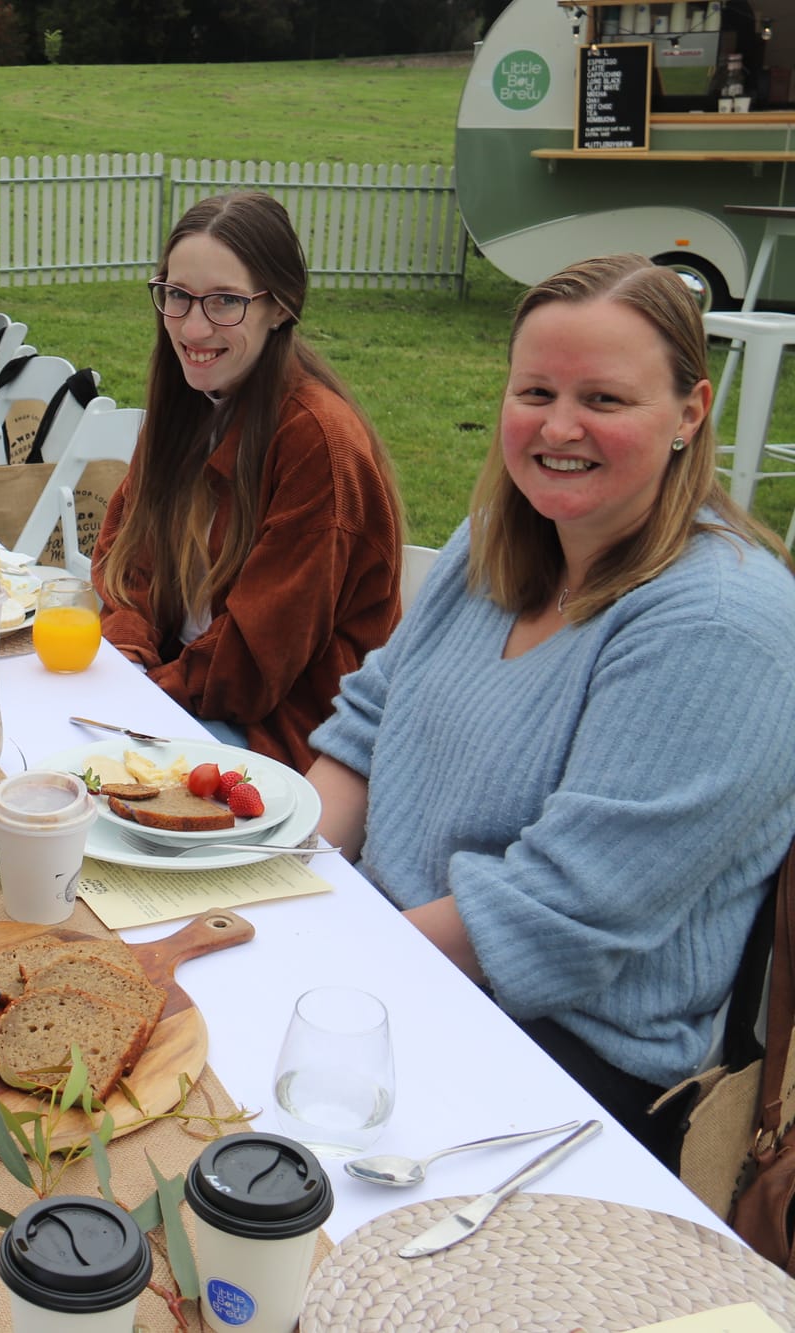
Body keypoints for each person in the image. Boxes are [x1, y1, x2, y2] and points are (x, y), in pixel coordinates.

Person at [310, 253, 795, 1163]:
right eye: (535, 390)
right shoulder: (495, 535)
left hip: (565, 1071)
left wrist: (329, 962)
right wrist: (284, 876)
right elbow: (367, 728)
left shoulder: (722, 627)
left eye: (604, 400)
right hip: (401, 968)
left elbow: (558, 914)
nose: (559, 426)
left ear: (691, 412)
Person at [90, 191, 402, 769]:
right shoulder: (189, 403)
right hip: (179, 688)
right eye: (177, 296)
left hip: (282, 735)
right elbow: (126, 557)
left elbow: (256, 661)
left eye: (226, 302)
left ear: (280, 307)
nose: (193, 325)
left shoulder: (317, 442)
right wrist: (128, 658)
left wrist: (143, 696)